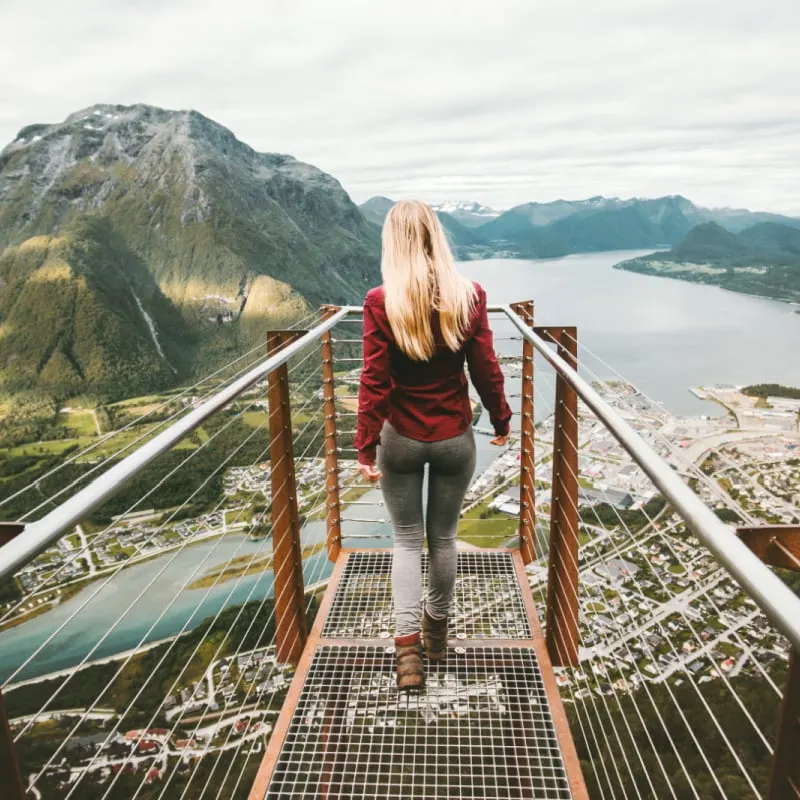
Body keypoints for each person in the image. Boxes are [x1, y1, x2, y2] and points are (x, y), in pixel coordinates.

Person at [354, 200, 512, 691]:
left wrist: (363, 446)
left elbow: (374, 381)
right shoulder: (470, 295)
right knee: (443, 539)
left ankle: (408, 656)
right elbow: (485, 367)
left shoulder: (381, 301)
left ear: (393, 243)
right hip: (453, 439)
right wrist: (501, 418)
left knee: (405, 541)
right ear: (436, 236)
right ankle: (437, 636)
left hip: (399, 438)